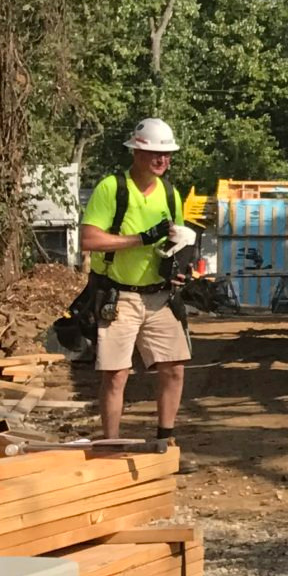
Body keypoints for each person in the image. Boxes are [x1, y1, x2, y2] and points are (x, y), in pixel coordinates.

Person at [77, 117, 194, 444]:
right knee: (115, 375)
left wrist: (180, 266)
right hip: (119, 297)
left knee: (174, 368)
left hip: (160, 297)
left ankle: (164, 439)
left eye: (168, 154)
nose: (163, 160)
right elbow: (89, 239)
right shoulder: (112, 188)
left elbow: (178, 241)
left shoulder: (171, 194)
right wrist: (139, 239)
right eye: (156, 153)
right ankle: (112, 445)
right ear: (136, 153)